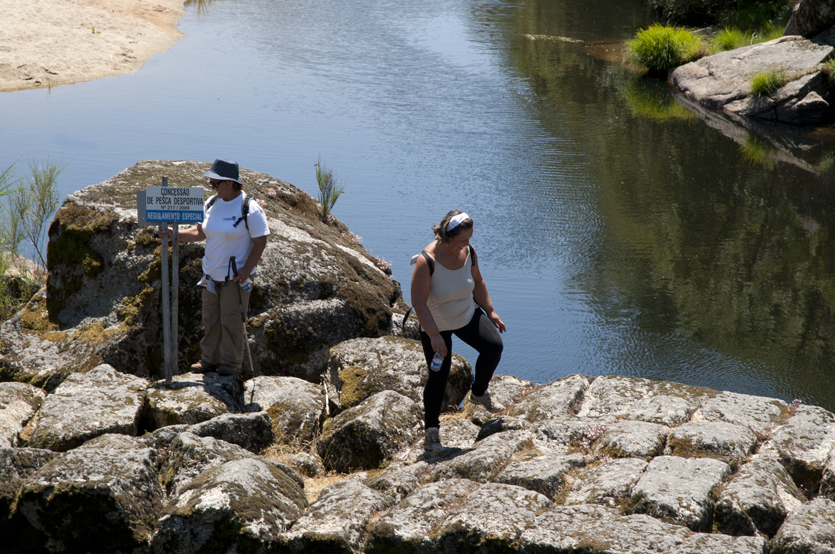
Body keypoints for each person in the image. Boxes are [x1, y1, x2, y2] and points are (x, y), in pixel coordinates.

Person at [159, 159, 270, 378]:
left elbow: (260, 241)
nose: (212, 187)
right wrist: (174, 236)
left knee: (231, 322)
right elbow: (200, 232)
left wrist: (246, 270)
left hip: (234, 278)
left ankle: (230, 365)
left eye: (214, 183)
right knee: (210, 320)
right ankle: (208, 360)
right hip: (210, 274)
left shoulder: (250, 208)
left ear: (229, 183)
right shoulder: (211, 203)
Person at [410, 210, 506, 454]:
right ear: (447, 235)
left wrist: (490, 311)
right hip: (436, 323)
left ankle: (479, 393)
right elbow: (419, 303)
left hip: (465, 314)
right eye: (462, 240)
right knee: (439, 376)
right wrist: (434, 336)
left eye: (469, 239)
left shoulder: (469, 253)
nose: (467, 244)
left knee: (493, 346)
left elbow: (478, 281)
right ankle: (431, 433)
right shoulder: (427, 260)